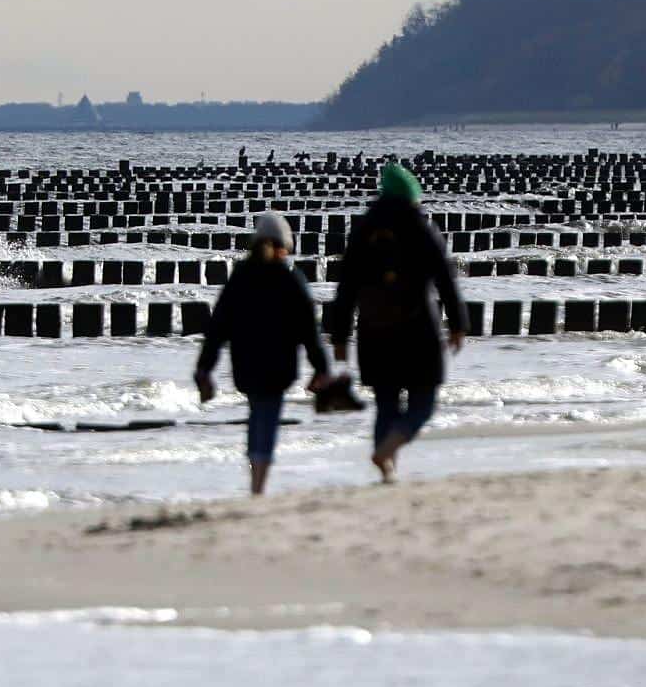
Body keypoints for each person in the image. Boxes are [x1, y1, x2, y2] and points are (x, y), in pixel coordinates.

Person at [332, 162, 466, 484]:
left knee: (386, 403)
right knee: (423, 403)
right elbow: (445, 280)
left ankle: (387, 467)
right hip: (418, 330)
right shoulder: (421, 229)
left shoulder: (363, 231)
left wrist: (339, 336)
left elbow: (346, 288)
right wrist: (458, 324)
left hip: (374, 331)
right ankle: (390, 448)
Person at [195, 211, 330, 496]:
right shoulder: (290, 279)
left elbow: (218, 327)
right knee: (266, 417)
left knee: (258, 413)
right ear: (285, 245)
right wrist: (321, 368)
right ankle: (258, 483)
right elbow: (309, 330)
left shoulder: (240, 277)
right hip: (279, 365)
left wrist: (204, 368)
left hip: (246, 364)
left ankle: (256, 477)